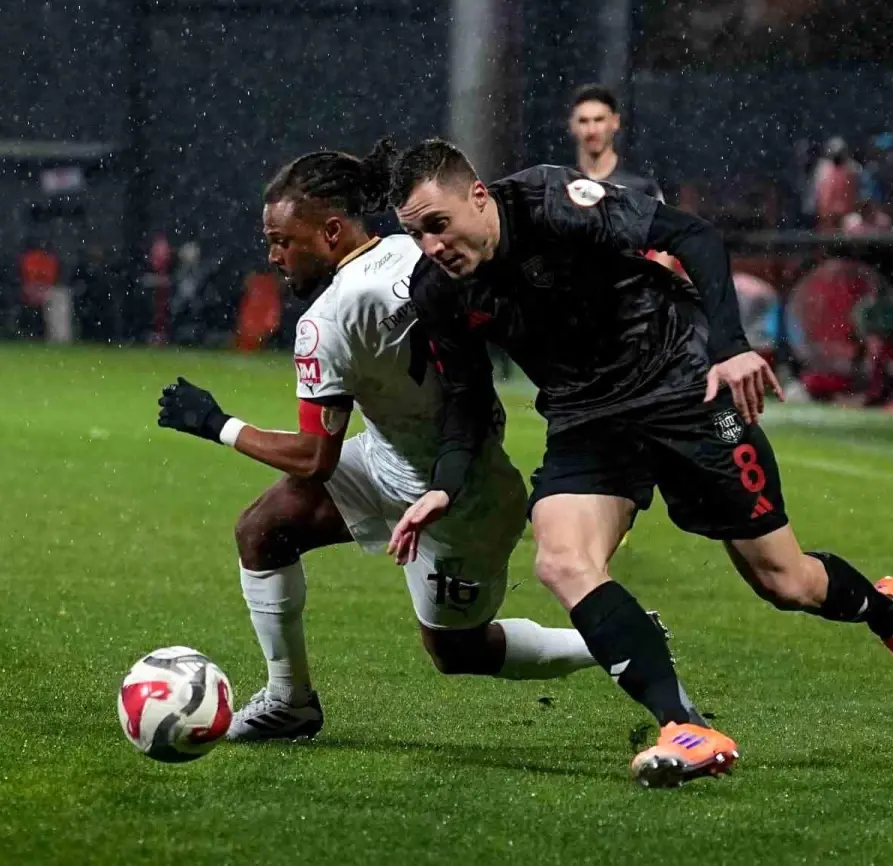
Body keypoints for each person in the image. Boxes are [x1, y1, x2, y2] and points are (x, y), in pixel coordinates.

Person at [383, 140, 893, 788]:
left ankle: (892, 614)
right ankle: (686, 725)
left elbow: (691, 234)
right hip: (587, 420)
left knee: (784, 581)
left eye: (437, 224)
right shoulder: (437, 290)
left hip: (684, 386)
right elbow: (465, 396)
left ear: (477, 196)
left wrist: (731, 348)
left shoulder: (551, 203)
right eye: (414, 233)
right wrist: (443, 487)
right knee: (562, 560)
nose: (431, 245)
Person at [155, 142, 602, 742]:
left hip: (453, 503)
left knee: (458, 652)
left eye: (283, 240)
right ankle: (289, 701)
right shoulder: (411, 250)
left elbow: (316, 459)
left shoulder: (326, 321)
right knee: (263, 530)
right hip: (406, 457)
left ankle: (612, 637)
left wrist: (217, 424)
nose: (274, 255)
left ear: (332, 231)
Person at [568, 83, 677, 275]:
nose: (592, 130)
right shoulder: (560, 186)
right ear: (572, 126)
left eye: (599, 120)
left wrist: (646, 292)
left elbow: (667, 244)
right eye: (584, 121)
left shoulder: (641, 186)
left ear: (615, 122)